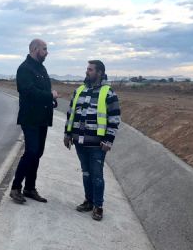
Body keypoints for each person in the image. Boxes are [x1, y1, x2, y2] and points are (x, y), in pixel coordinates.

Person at [64, 60, 120, 221]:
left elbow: (114, 118)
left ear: (99, 72)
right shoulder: (79, 90)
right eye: (87, 69)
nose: (87, 72)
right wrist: (67, 134)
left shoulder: (108, 93)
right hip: (79, 142)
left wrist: (108, 140)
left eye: (90, 69)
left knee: (97, 175)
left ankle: (98, 206)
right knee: (86, 173)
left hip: (97, 144)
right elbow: (71, 114)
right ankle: (88, 201)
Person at [10, 39, 59, 204]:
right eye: (45, 49)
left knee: (37, 153)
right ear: (35, 49)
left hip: (42, 118)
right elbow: (29, 92)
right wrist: (50, 95)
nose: (47, 52)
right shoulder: (24, 69)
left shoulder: (42, 68)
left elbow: (44, 91)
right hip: (30, 118)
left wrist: (52, 99)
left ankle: (30, 188)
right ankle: (16, 187)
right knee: (31, 151)